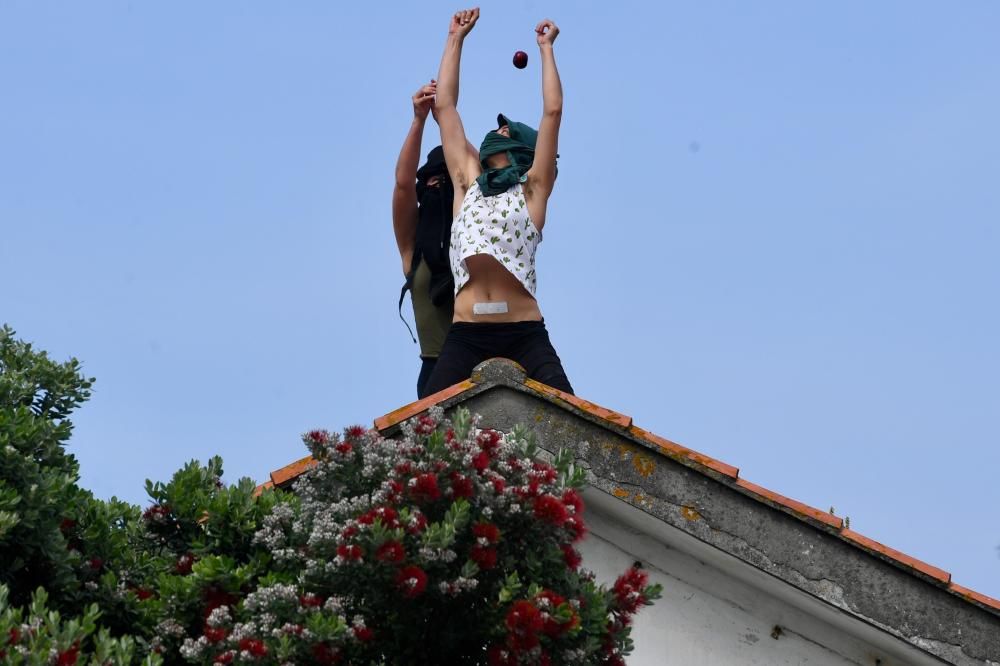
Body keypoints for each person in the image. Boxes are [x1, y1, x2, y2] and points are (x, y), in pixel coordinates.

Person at [423, 7, 574, 396]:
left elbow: (553, 112)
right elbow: (445, 107)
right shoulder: (467, 184)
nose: (497, 130)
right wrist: (455, 38)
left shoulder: (532, 190)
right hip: (467, 333)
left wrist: (545, 49)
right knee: (421, 428)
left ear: (522, 149)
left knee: (571, 420)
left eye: (505, 129)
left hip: (524, 334)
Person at [392, 81, 458, 398]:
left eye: (443, 180)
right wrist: (418, 120)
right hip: (434, 373)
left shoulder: (472, 231)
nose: (435, 185)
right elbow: (404, 185)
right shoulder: (413, 247)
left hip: (484, 368)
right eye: (429, 180)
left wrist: (446, 118)